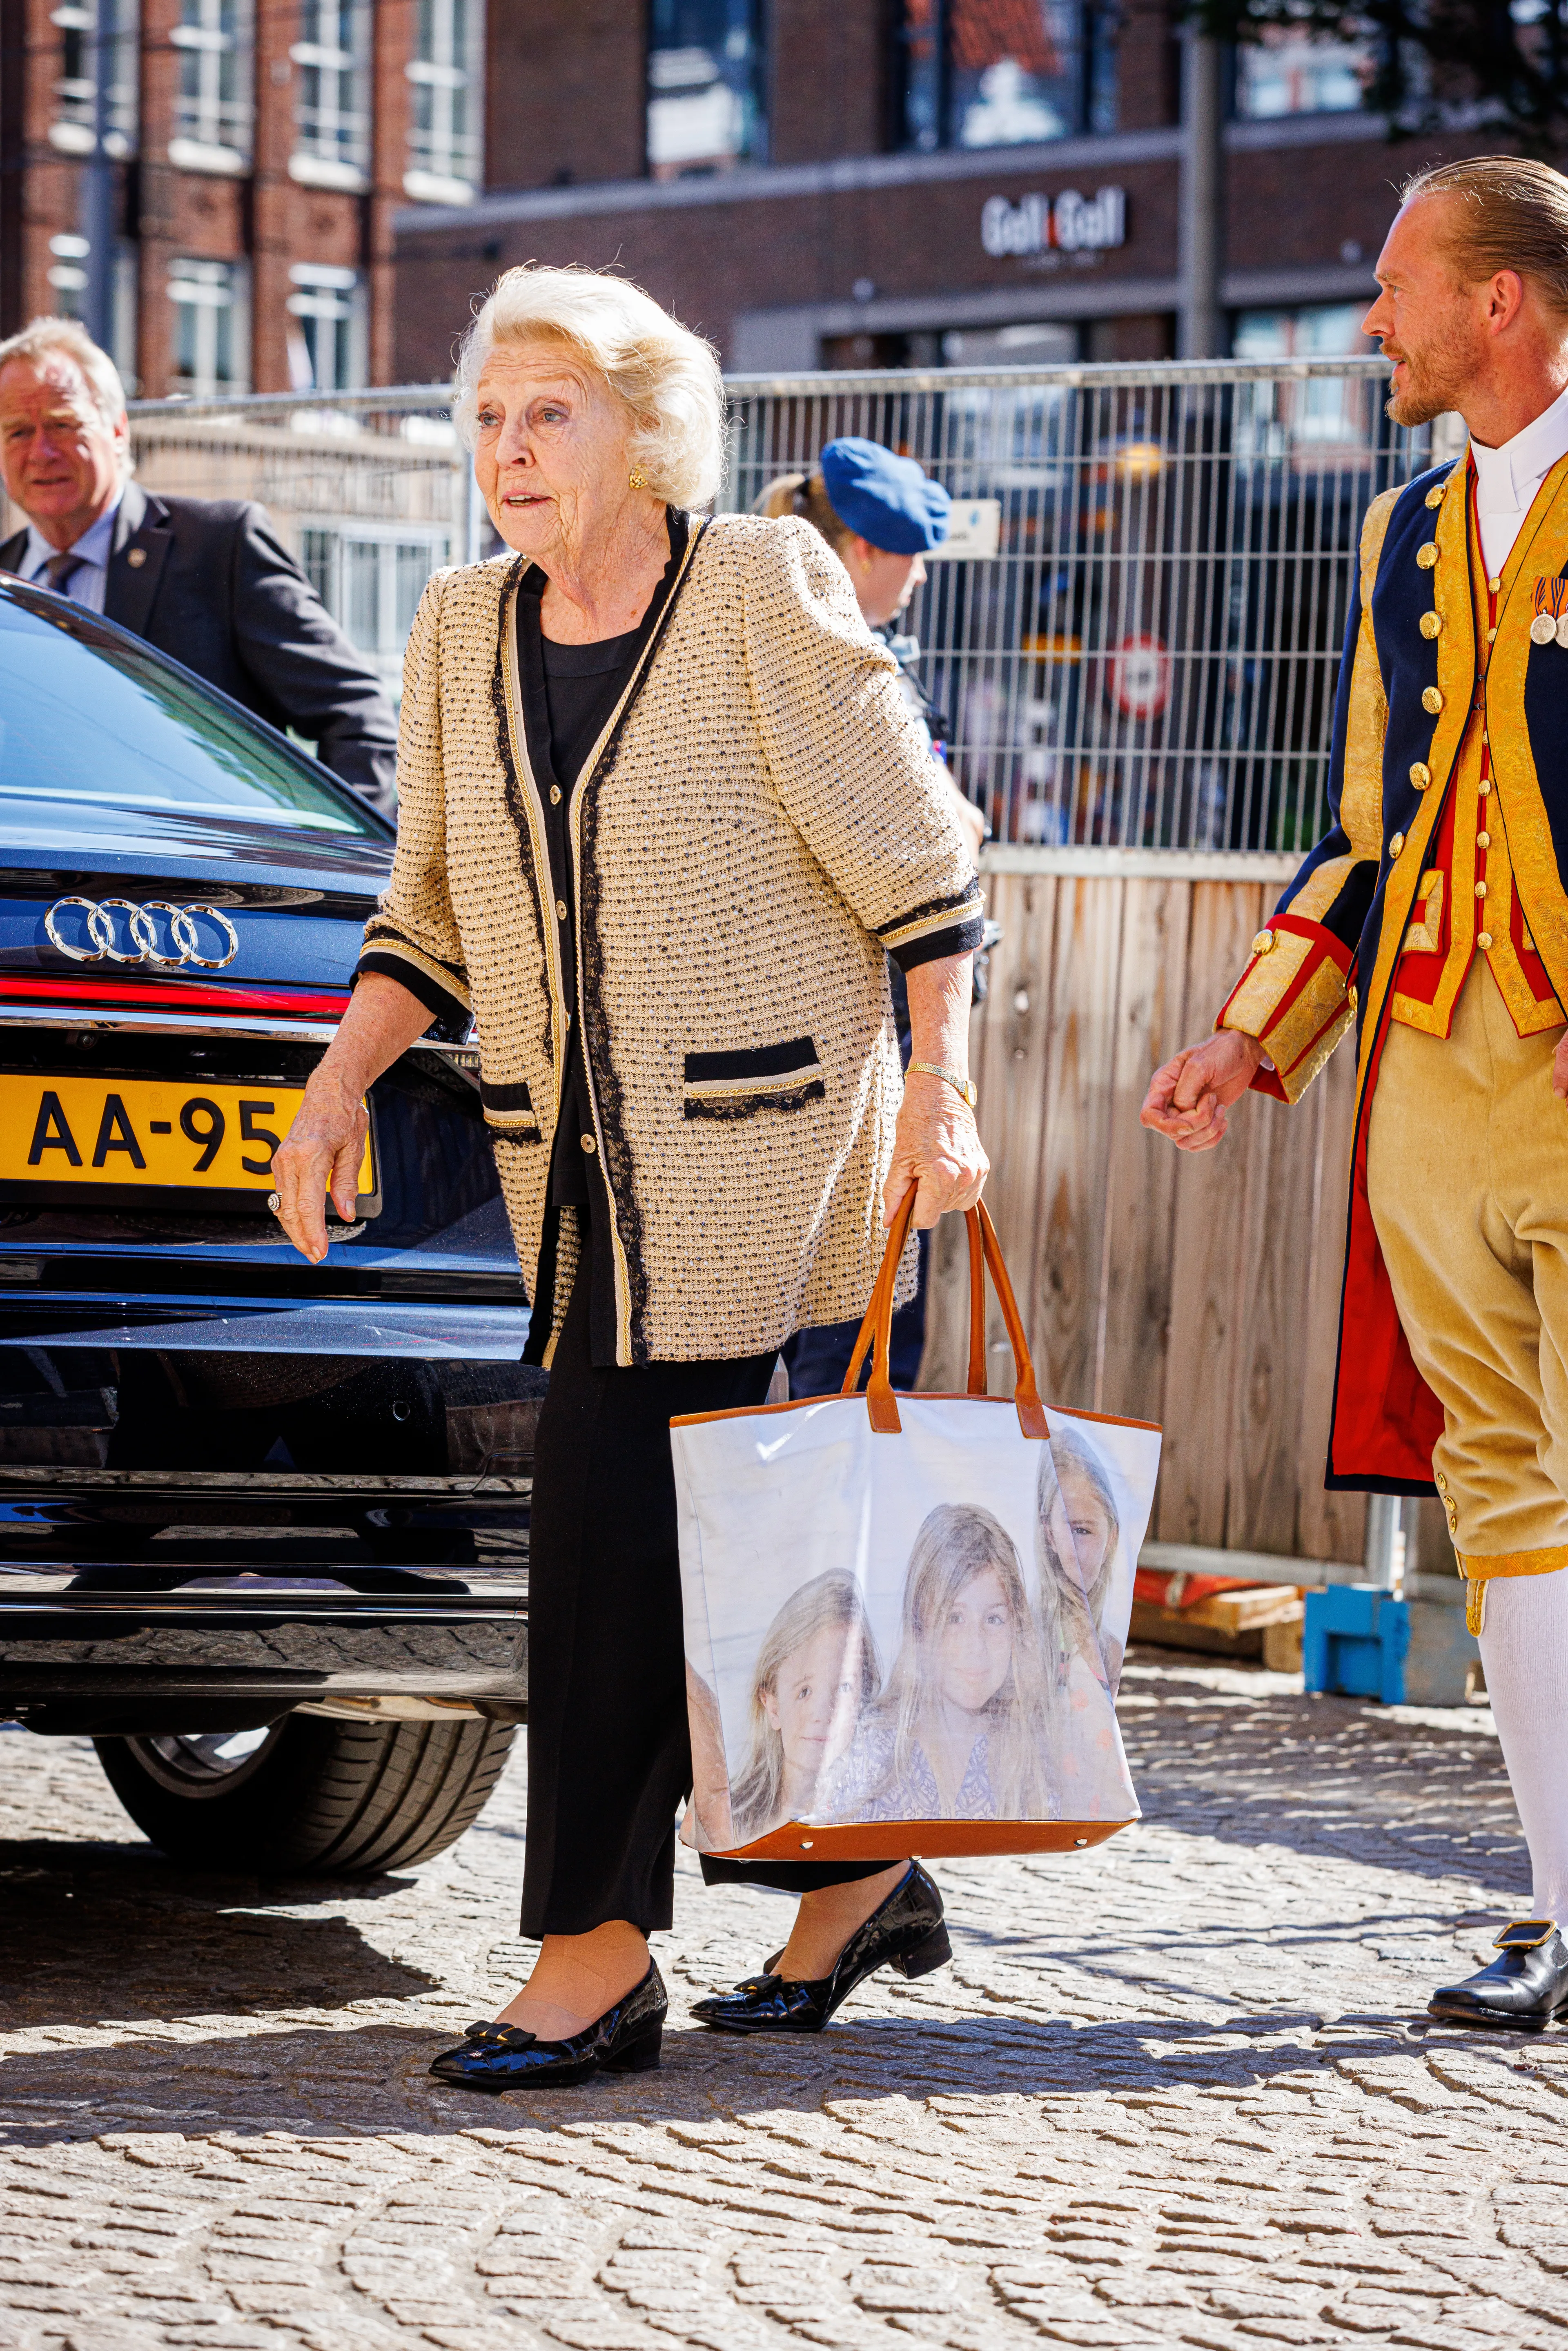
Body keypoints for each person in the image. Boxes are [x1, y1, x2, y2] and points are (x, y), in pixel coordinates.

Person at [271, 263, 989, 2083]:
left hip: (780, 1164)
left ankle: (594, 1955)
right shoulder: (454, 628)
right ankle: (853, 1876)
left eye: (551, 411)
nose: (511, 449)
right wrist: (336, 1081)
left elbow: (920, 856)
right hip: (586, 1186)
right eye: (491, 418)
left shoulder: (756, 582)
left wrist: (948, 1093)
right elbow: (425, 904)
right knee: (728, 1558)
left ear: (645, 423)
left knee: (623, 1542)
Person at [1141, 156, 1568, 2032]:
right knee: (1507, 1501)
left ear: (1507, 304)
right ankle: (1561, 1910)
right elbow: (1366, 827)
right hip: (1428, 1064)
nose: (1367, 322)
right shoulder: (1402, 531)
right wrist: (1255, 1029)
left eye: (1396, 288)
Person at [755, 440, 988, 1400]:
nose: (919, 572)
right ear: (856, 552)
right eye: (907, 552)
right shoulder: (842, 669)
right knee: (858, 1320)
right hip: (863, 1030)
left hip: (822, 1027)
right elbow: (936, 833)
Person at [0, 317, 398, 816]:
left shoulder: (220, 545)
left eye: (64, 424)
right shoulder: (5, 582)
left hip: (206, 882)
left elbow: (358, 719)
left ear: (118, 428)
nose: (42, 451)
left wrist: (327, 865)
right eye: (18, 432)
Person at [819, 1504, 1055, 1825]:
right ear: (921, 1624)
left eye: (994, 1618)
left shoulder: (1029, 1750)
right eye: (954, 1618)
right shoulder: (874, 1746)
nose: (976, 1645)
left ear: (1016, 1626)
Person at [728, 1572, 882, 1841]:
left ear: (863, 1697)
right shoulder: (735, 1818)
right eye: (805, 1691)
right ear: (772, 1706)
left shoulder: (883, 1812)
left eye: (845, 1687)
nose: (824, 1715)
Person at [1037, 1425, 1125, 1695]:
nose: (1076, 1549)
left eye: (1084, 1531)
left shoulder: (1109, 1651)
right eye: (1070, 1528)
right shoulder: (1026, 1641)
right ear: (1049, 1533)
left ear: (1111, 1537)